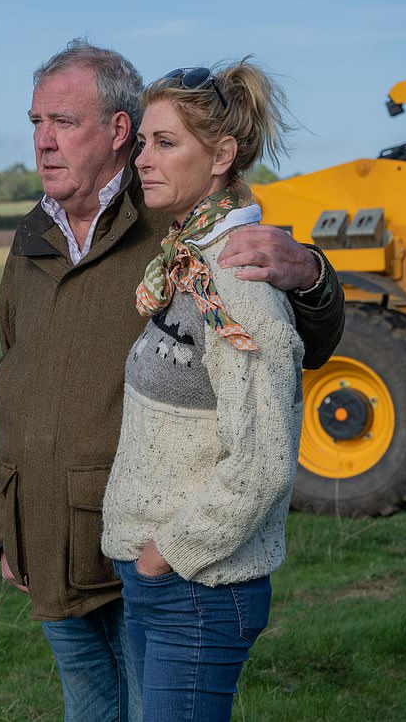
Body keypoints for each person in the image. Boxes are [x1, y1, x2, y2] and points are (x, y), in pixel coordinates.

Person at [0, 40, 344, 722]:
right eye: (35, 123)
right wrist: (10, 521)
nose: (43, 141)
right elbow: (14, 383)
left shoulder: (181, 225)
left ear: (115, 131)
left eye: (62, 122)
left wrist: (311, 273)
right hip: (56, 539)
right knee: (88, 709)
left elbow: (300, 346)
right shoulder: (32, 237)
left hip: (152, 553)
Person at [101, 61, 304, 721]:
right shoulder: (188, 262)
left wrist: (170, 553)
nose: (142, 161)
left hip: (198, 585)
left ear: (220, 155)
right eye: (142, 144)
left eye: (165, 143)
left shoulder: (239, 278)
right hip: (157, 579)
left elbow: (266, 455)